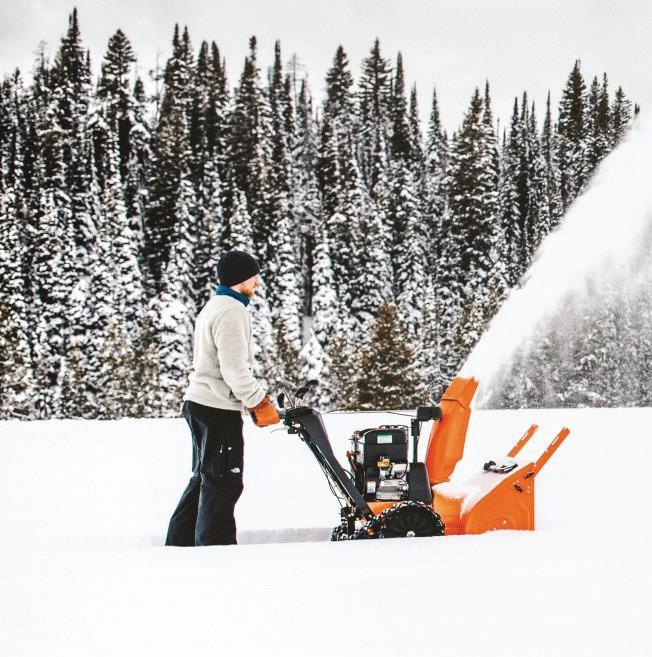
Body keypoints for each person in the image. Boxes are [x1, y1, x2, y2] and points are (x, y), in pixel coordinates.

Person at [165, 250, 280, 546]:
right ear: (240, 278)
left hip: (200, 403)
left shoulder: (215, 306)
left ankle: (179, 545)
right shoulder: (231, 311)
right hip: (216, 408)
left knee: (205, 477)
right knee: (224, 481)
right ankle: (216, 553)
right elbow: (234, 369)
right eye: (254, 276)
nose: (257, 282)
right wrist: (259, 402)